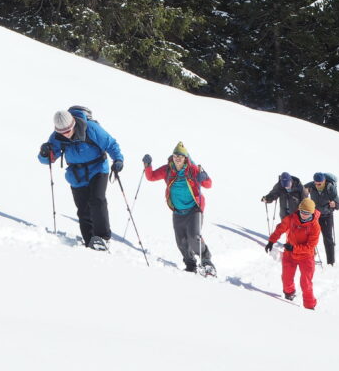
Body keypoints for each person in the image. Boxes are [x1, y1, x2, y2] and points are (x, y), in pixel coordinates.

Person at [38, 106, 124, 251]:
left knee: (97, 200)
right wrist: (44, 153)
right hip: (76, 174)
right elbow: (48, 160)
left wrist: (118, 160)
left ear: (73, 124)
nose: (65, 135)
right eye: (61, 132)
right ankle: (90, 241)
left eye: (68, 131)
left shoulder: (90, 128)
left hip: (97, 168)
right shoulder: (57, 136)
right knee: (83, 208)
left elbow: (111, 144)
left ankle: (103, 237)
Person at [142, 142, 216, 276]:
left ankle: (206, 260)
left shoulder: (193, 169)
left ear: (185, 158)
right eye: (176, 155)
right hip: (178, 211)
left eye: (181, 156)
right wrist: (147, 165)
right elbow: (151, 177)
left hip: (194, 209)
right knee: (181, 242)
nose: (178, 158)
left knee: (194, 237)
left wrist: (204, 177)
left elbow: (208, 184)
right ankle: (190, 265)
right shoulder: (167, 170)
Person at [264, 197, 321, 309]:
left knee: (306, 283)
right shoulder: (291, 219)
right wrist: (271, 241)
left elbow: (310, 246)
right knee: (286, 278)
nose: (304, 215)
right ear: (299, 210)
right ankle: (289, 293)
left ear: (312, 212)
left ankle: (309, 306)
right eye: (303, 212)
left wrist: (294, 248)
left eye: (307, 213)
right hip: (290, 255)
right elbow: (280, 229)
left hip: (306, 256)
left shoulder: (315, 226)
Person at [304, 172, 339, 265]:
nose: (317, 185)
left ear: (324, 181)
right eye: (315, 183)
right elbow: (300, 189)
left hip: (327, 216)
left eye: (319, 183)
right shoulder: (311, 185)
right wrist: (305, 192)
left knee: (328, 239)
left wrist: (334, 204)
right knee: (310, 236)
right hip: (315, 215)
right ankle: (309, 257)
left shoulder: (330, 188)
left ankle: (331, 262)